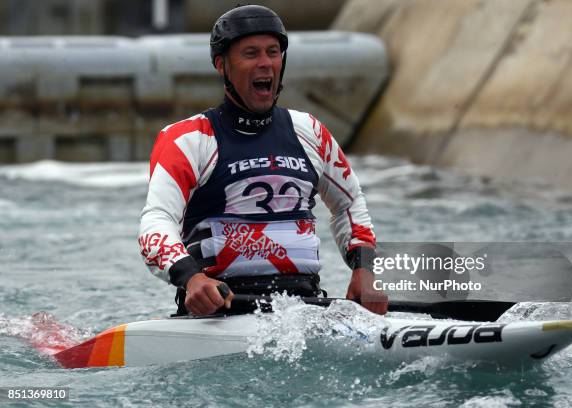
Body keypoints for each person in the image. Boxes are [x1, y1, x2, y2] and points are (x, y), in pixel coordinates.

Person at [138, 5, 388, 316]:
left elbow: (349, 204)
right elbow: (156, 223)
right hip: (220, 314)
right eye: (251, 53)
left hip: (304, 311)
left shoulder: (309, 130)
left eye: (273, 52)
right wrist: (192, 278)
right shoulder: (188, 139)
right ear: (221, 65)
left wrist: (363, 268)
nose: (265, 63)